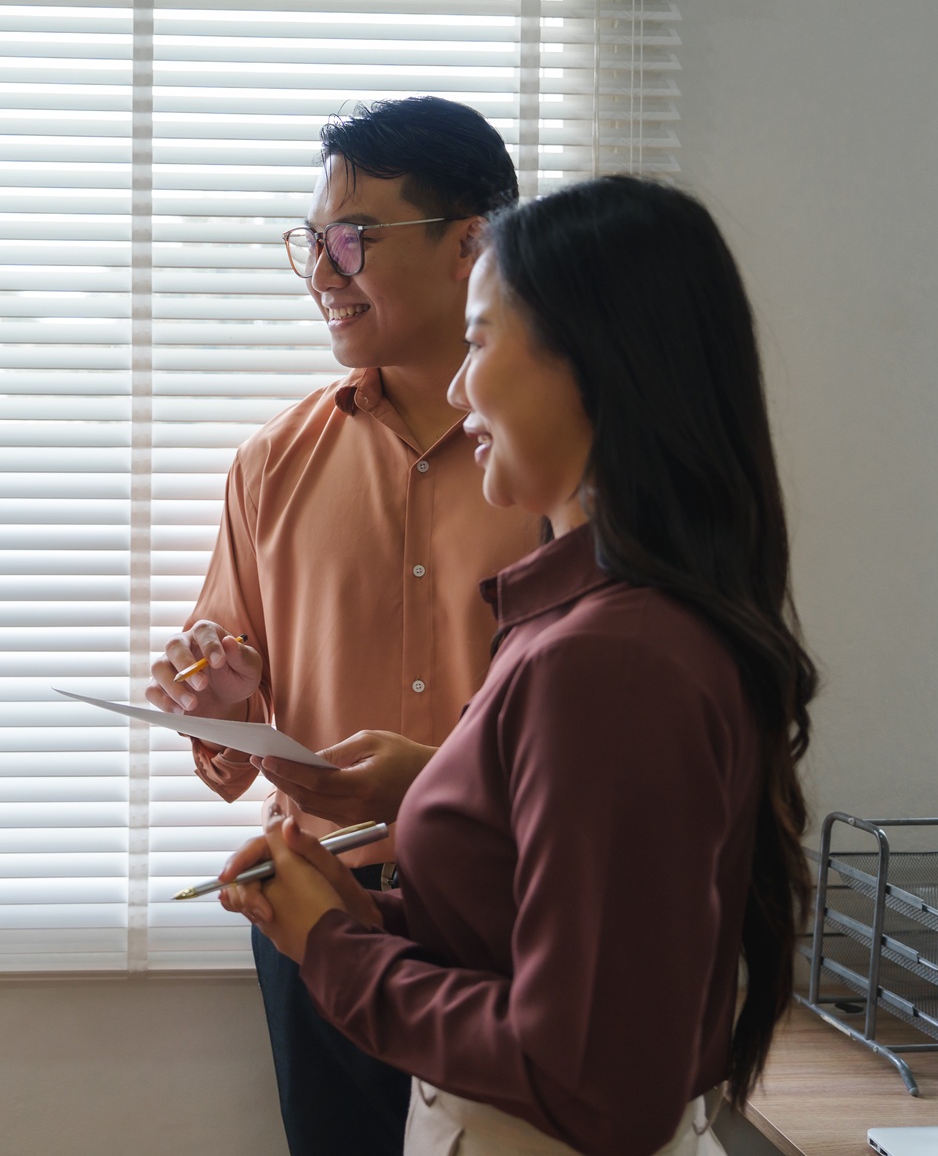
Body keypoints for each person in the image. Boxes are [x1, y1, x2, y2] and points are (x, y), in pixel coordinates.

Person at [218, 176, 817, 1156]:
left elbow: (589, 1078)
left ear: (594, 364)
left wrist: (336, 946)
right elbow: (536, 938)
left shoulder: (609, 660)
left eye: (481, 342)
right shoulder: (592, 625)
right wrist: (365, 909)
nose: (459, 388)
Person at [146, 98, 542, 1156]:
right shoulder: (269, 465)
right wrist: (221, 704)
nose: (323, 271)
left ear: (472, 244)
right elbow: (228, 744)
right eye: (312, 242)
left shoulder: (559, 460)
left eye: (353, 238)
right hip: (320, 904)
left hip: (508, 901)